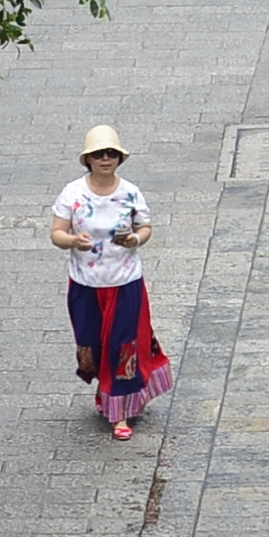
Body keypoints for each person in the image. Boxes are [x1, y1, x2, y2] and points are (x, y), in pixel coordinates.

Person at [51, 123, 170, 440]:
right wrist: (73, 240)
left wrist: (135, 239)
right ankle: (106, 391)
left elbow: (145, 227)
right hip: (85, 284)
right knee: (92, 342)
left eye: (111, 154)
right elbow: (57, 233)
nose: (106, 159)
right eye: (99, 154)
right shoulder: (72, 193)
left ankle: (121, 413)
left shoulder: (130, 192)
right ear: (88, 159)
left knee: (122, 346)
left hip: (125, 281)